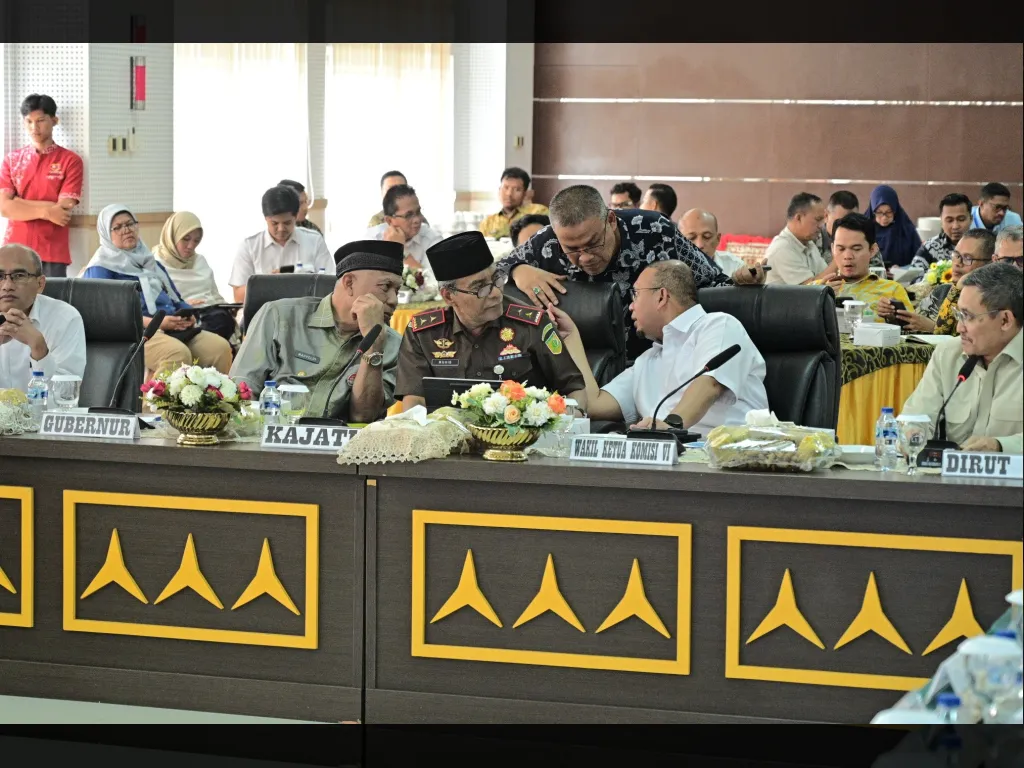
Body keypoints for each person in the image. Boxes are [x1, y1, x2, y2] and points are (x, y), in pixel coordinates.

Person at [496, 185, 764, 361]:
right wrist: (518, 270)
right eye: (572, 249)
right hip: (576, 362)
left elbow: (712, 282)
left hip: (656, 360)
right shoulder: (547, 242)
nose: (585, 257)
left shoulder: (654, 231)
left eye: (593, 243)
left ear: (611, 220)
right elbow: (490, 277)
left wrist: (742, 281)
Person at [550, 260, 768, 435]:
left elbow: (708, 386)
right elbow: (594, 404)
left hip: (733, 460)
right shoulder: (648, 360)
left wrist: (671, 426)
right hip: (670, 463)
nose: (631, 307)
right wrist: (571, 338)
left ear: (662, 296)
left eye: (635, 295)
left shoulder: (718, 325)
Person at [394, 231, 587, 411]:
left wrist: (564, 424)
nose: (495, 294)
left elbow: (575, 390)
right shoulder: (423, 333)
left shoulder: (532, 324)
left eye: (497, 279)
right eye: (480, 288)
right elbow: (415, 402)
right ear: (449, 296)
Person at [230, 240, 405, 423]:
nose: (393, 300)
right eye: (385, 287)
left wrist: (374, 346)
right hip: (272, 438)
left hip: (341, 448)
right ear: (349, 283)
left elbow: (363, 416)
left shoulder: (393, 344)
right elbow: (241, 392)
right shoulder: (279, 317)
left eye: (398, 291)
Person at [82, 205, 233, 376]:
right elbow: (106, 316)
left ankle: (211, 402)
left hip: (169, 327)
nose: (126, 230)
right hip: (134, 332)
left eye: (130, 224)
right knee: (176, 354)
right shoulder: (101, 268)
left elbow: (175, 298)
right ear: (105, 233)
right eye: (117, 227)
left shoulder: (151, 263)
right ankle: (150, 404)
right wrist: (155, 323)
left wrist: (188, 315)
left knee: (219, 348)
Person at [902, 261, 1022, 454]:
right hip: (953, 481)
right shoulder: (948, 354)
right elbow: (916, 416)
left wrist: (999, 446)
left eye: (968, 316)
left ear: (1005, 320)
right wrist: (912, 433)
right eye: (959, 315)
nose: (959, 328)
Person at [0, 94, 84, 278]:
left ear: (54, 120)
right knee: (10, 303)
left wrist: (19, 203)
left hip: (52, 250)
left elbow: (62, 210)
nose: (34, 128)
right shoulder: (12, 160)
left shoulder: (71, 160)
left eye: (40, 121)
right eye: (28, 121)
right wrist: (47, 210)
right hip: (13, 248)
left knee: (52, 303)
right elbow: (4, 208)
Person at [0, 243, 85, 391]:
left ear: (40, 284)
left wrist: (39, 348)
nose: (7, 285)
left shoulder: (65, 318)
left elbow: (66, 398)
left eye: (19, 276)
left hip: (40, 414)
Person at [229, 185, 334, 303]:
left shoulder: (313, 240)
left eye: (287, 223)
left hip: (306, 310)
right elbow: (238, 296)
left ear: (296, 217)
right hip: (262, 314)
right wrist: (268, 284)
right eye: (274, 223)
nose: (281, 229)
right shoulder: (250, 246)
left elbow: (330, 284)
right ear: (265, 218)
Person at [881, 229, 996, 335]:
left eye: (967, 258)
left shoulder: (990, 302)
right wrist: (893, 319)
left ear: (990, 263)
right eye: (956, 255)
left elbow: (969, 342)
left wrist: (933, 328)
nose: (957, 263)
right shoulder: (942, 291)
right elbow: (909, 331)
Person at [152, 211, 237, 344]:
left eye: (196, 240)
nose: (191, 246)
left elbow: (213, 294)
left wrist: (228, 307)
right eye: (186, 239)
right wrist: (183, 305)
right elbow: (155, 305)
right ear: (172, 235)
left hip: (211, 316)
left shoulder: (200, 261)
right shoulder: (155, 265)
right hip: (179, 321)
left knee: (224, 321)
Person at [818, 214, 912, 323]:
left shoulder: (892, 290)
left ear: (872, 250)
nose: (848, 256)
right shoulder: (817, 289)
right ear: (833, 249)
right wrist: (818, 301)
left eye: (856, 249)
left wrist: (893, 320)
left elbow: (913, 332)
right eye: (841, 249)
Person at [765, 193, 836, 287]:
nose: (821, 225)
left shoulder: (808, 243)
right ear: (798, 218)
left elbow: (825, 276)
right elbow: (809, 289)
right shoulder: (782, 249)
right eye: (818, 219)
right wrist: (838, 260)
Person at [365, 184, 442, 270]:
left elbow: (431, 281)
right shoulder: (373, 240)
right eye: (408, 215)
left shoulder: (433, 240)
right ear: (389, 221)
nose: (417, 219)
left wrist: (401, 251)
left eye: (418, 212)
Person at [478, 167, 549, 240]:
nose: (509, 194)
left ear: (525, 193)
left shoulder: (539, 212)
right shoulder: (488, 222)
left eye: (517, 190)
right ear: (499, 190)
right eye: (506, 187)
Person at [911, 193, 972, 270]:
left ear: (971, 219)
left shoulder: (982, 245)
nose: (955, 226)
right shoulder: (930, 247)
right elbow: (913, 276)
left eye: (961, 219)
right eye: (949, 220)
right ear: (941, 222)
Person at [865, 185, 921, 268]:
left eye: (889, 212)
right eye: (879, 212)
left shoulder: (907, 230)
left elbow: (920, 261)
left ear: (895, 210)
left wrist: (902, 269)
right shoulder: (864, 229)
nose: (884, 217)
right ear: (872, 211)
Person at [679, 208, 746, 277]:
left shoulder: (735, 267)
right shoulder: (670, 268)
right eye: (691, 238)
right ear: (679, 241)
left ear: (718, 239)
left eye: (707, 236)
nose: (699, 245)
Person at [820, 191, 859, 258]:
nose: (846, 227)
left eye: (852, 222)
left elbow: (877, 267)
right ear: (826, 216)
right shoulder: (812, 239)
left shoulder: (863, 237)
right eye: (839, 222)